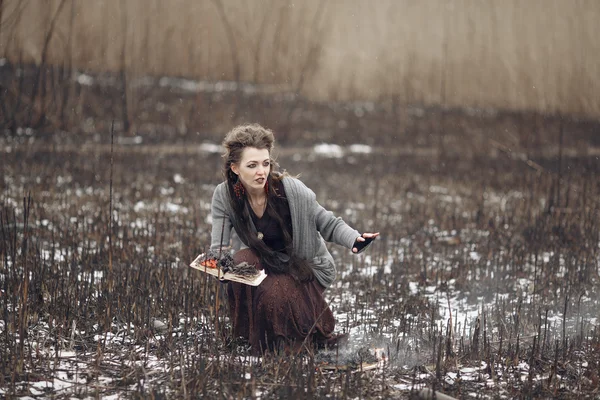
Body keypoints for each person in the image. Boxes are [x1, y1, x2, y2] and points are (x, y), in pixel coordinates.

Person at [209, 123, 379, 354]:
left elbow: (326, 221)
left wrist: (354, 239)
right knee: (241, 263)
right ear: (235, 168)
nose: (262, 171)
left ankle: (297, 345)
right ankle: (248, 338)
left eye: (265, 163)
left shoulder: (291, 191)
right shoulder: (225, 195)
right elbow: (218, 245)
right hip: (266, 261)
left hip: (304, 267)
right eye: (252, 165)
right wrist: (219, 265)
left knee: (273, 292)